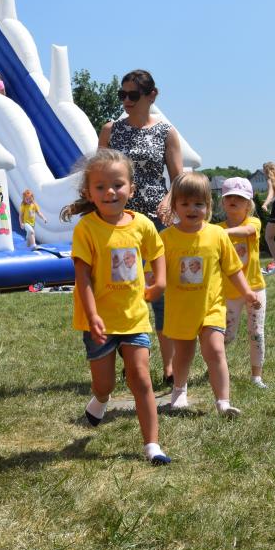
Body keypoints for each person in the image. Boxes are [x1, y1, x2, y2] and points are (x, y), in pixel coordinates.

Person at [60, 148, 169, 465]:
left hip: (134, 317)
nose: (110, 191)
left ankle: (152, 446)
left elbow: (157, 252)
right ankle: (100, 399)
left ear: (131, 189)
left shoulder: (142, 224)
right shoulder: (86, 229)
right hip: (99, 323)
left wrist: (160, 282)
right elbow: (82, 277)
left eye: (118, 185)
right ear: (88, 193)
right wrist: (92, 314)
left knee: (141, 378)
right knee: (104, 383)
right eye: (101, 186)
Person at [98, 69, 183, 387]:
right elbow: (99, 175)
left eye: (133, 95)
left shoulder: (166, 132)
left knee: (160, 292)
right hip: (119, 221)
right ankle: (132, 360)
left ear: (152, 95)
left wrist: (170, 200)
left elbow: (177, 177)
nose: (126, 100)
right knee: (124, 290)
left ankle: (170, 366)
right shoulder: (111, 130)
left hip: (158, 221)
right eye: (122, 94)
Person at [160, 172, 261, 416]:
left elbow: (233, 269)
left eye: (199, 203)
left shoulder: (217, 235)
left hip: (212, 307)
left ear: (208, 205)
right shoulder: (166, 238)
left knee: (216, 350)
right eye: (185, 203)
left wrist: (247, 292)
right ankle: (179, 391)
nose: (192, 209)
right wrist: (150, 285)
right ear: (174, 207)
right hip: (181, 310)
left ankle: (223, 403)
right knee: (183, 354)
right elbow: (154, 271)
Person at [218, 177, 268, 389]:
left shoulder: (253, 223)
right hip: (229, 292)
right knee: (227, 335)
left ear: (249, 204)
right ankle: (216, 367)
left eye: (239, 198)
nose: (234, 200)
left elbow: (246, 232)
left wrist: (219, 233)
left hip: (255, 288)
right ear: (222, 202)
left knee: (256, 332)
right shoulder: (216, 228)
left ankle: (256, 376)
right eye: (229, 196)